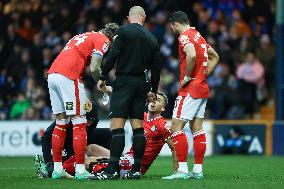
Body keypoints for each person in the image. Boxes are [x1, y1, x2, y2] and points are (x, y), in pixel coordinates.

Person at [96, 6, 162, 179]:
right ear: (144, 18)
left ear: (128, 17)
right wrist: (153, 90)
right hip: (141, 84)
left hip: (124, 82)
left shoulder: (123, 32)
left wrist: (102, 76)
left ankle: (112, 170)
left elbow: (113, 55)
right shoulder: (152, 38)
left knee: (117, 126)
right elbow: (156, 69)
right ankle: (136, 170)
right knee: (138, 128)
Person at [47, 23, 119, 180]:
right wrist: (102, 83)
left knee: (61, 122)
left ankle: (57, 169)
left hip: (53, 75)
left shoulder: (81, 36)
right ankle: (80, 170)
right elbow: (94, 67)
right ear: (113, 38)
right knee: (79, 121)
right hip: (69, 76)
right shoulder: (103, 40)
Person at [62, 92, 178, 178]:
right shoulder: (141, 116)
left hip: (134, 165)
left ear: (163, 108)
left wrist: (177, 172)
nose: (153, 102)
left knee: (88, 161)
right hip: (127, 157)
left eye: (157, 100)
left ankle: (64, 169)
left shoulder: (163, 125)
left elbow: (174, 148)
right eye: (152, 99)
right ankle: (65, 166)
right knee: (91, 148)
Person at [162, 11, 219, 180]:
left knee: (175, 128)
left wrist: (187, 77)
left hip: (190, 89)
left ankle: (182, 170)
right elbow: (215, 56)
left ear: (175, 23)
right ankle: (198, 170)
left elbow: (192, 54)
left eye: (172, 26)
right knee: (197, 129)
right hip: (202, 87)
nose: (172, 29)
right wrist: (204, 74)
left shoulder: (185, 36)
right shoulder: (199, 36)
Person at [34, 101, 111, 178]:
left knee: (96, 143)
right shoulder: (66, 119)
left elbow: (87, 134)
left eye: (91, 121)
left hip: (78, 138)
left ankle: (115, 159)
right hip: (63, 143)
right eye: (86, 120)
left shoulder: (94, 121)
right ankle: (48, 162)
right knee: (81, 161)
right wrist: (49, 163)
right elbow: (45, 138)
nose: (88, 124)